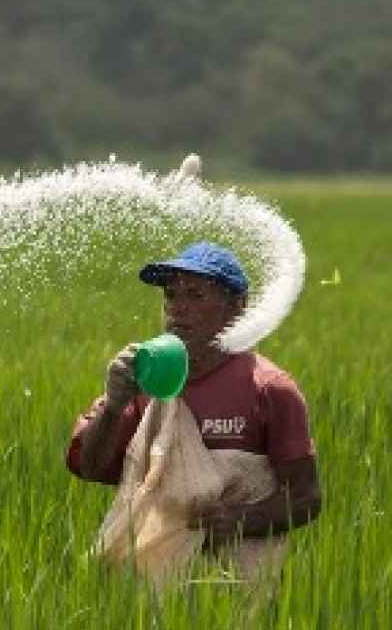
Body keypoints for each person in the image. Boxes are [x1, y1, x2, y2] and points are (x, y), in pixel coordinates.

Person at [66, 242, 321, 574]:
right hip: (150, 587)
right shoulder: (143, 382)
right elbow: (90, 467)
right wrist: (114, 405)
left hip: (236, 584)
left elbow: (306, 498)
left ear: (237, 308)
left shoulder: (269, 389)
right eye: (171, 296)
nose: (178, 308)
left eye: (196, 296)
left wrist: (242, 519)